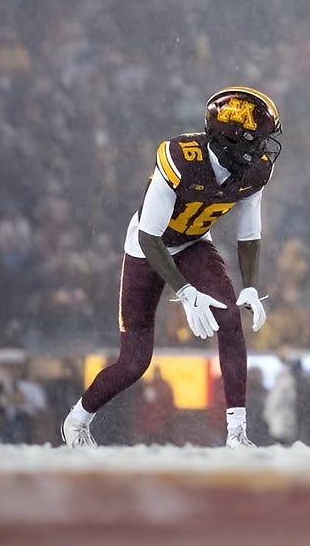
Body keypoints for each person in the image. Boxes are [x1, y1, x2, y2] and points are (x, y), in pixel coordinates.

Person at [61, 87, 283, 449]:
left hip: (194, 242)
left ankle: (237, 433)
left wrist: (251, 286)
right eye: (256, 140)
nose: (263, 150)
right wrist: (186, 291)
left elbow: (249, 234)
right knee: (134, 361)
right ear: (232, 139)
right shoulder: (181, 158)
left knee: (230, 318)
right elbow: (150, 237)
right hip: (148, 247)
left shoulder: (254, 172)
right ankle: (77, 419)